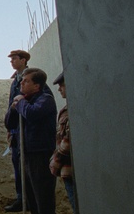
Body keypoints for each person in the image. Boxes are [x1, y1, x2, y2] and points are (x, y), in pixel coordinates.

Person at [6, 68, 57, 214]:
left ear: (37, 86)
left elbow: (33, 113)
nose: (21, 83)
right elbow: (9, 123)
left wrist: (21, 103)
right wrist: (14, 107)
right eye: (22, 80)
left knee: (43, 198)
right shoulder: (24, 101)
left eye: (26, 81)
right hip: (26, 154)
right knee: (31, 198)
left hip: (40, 155)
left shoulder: (45, 99)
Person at [3, 49, 31, 212]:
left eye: (15, 59)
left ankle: (29, 199)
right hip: (16, 128)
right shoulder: (15, 81)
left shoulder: (29, 78)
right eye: (11, 59)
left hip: (26, 128)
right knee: (17, 164)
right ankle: (21, 198)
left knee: (26, 165)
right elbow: (10, 105)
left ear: (23, 60)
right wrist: (10, 126)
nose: (12, 61)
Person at [49, 72, 78, 213]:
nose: (59, 89)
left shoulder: (74, 110)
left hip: (71, 168)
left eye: (62, 85)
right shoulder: (67, 109)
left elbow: (67, 143)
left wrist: (55, 162)